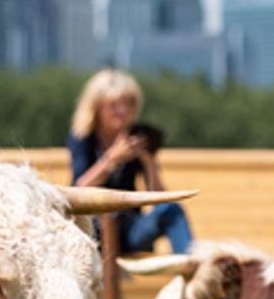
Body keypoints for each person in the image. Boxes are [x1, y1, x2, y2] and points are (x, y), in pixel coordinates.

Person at [67, 69, 193, 254]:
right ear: (96, 107)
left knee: (171, 210)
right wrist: (111, 159)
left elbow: (159, 199)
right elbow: (79, 187)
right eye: (113, 105)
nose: (122, 111)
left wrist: (149, 162)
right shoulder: (83, 138)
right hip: (92, 234)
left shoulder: (136, 136)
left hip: (130, 230)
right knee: (104, 219)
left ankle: (192, 267)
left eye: (128, 103)